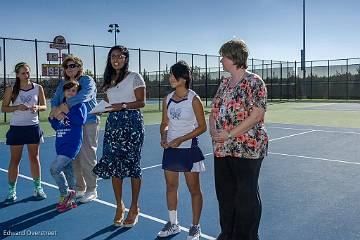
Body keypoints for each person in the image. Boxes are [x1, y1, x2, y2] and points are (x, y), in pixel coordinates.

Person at [210, 40, 268, 240]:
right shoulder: (224, 83)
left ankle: (247, 236)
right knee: (225, 196)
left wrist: (229, 133)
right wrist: (214, 131)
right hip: (222, 149)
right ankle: (227, 234)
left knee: (246, 197)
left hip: (248, 148)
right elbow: (214, 111)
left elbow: (257, 115)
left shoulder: (255, 82)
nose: (220, 60)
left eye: (223, 56)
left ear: (234, 57)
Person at [92, 45, 146, 227]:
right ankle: (119, 206)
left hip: (132, 124)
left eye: (119, 56)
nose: (116, 59)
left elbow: (141, 102)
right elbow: (108, 102)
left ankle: (134, 207)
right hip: (113, 125)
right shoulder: (108, 80)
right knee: (115, 166)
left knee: (132, 166)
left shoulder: (134, 77)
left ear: (125, 58)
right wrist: (99, 110)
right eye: (113, 56)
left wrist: (121, 106)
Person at [157, 61, 207, 240]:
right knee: (171, 187)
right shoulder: (167, 98)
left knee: (194, 189)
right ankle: (173, 224)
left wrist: (181, 139)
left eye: (173, 75)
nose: (170, 78)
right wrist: (164, 136)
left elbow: (202, 127)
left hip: (188, 148)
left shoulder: (194, 99)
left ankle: (195, 227)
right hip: (171, 149)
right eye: (170, 75)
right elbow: (164, 123)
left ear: (183, 78)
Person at [50, 55, 99, 203]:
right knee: (74, 158)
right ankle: (80, 188)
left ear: (79, 67)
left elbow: (84, 95)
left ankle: (92, 189)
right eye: (67, 67)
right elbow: (55, 100)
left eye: (72, 66)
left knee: (87, 155)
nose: (69, 69)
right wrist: (55, 110)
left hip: (88, 121)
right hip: (69, 124)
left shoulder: (87, 80)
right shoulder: (63, 84)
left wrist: (66, 105)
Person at [1, 62, 47, 203]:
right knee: (15, 160)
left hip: (33, 127)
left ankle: (38, 188)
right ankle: (11, 191)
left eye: (27, 72)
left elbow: (44, 106)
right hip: (17, 128)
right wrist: (16, 107)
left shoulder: (38, 88)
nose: (26, 75)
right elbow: (4, 108)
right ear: (17, 74)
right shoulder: (11, 89)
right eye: (23, 73)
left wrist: (37, 107)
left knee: (35, 158)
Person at [49, 81, 87, 212]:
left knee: (54, 169)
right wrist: (52, 118)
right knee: (68, 172)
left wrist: (67, 112)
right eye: (68, 90)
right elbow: (57, 126)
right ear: (64, 92)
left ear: (77, 94)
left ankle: (65, 194)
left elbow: (80, 121)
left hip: (71, 146)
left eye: (74, 91)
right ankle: (72, 199)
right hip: (60, 144)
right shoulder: (61, 106)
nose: (70, 93)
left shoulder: (79, 106)